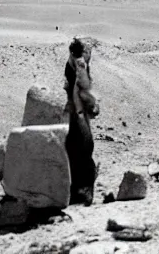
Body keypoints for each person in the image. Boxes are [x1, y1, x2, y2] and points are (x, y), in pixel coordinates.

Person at [64, 38, 98, 205]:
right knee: (85, 149)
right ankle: (85, 192)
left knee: (74, 151)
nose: (89, 55)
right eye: (87, 51)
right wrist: (93, 105)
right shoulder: (80, 64)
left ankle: (75, 190)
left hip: (72, 111)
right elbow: (83, 87)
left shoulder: (70, 62)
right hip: (79, 113)